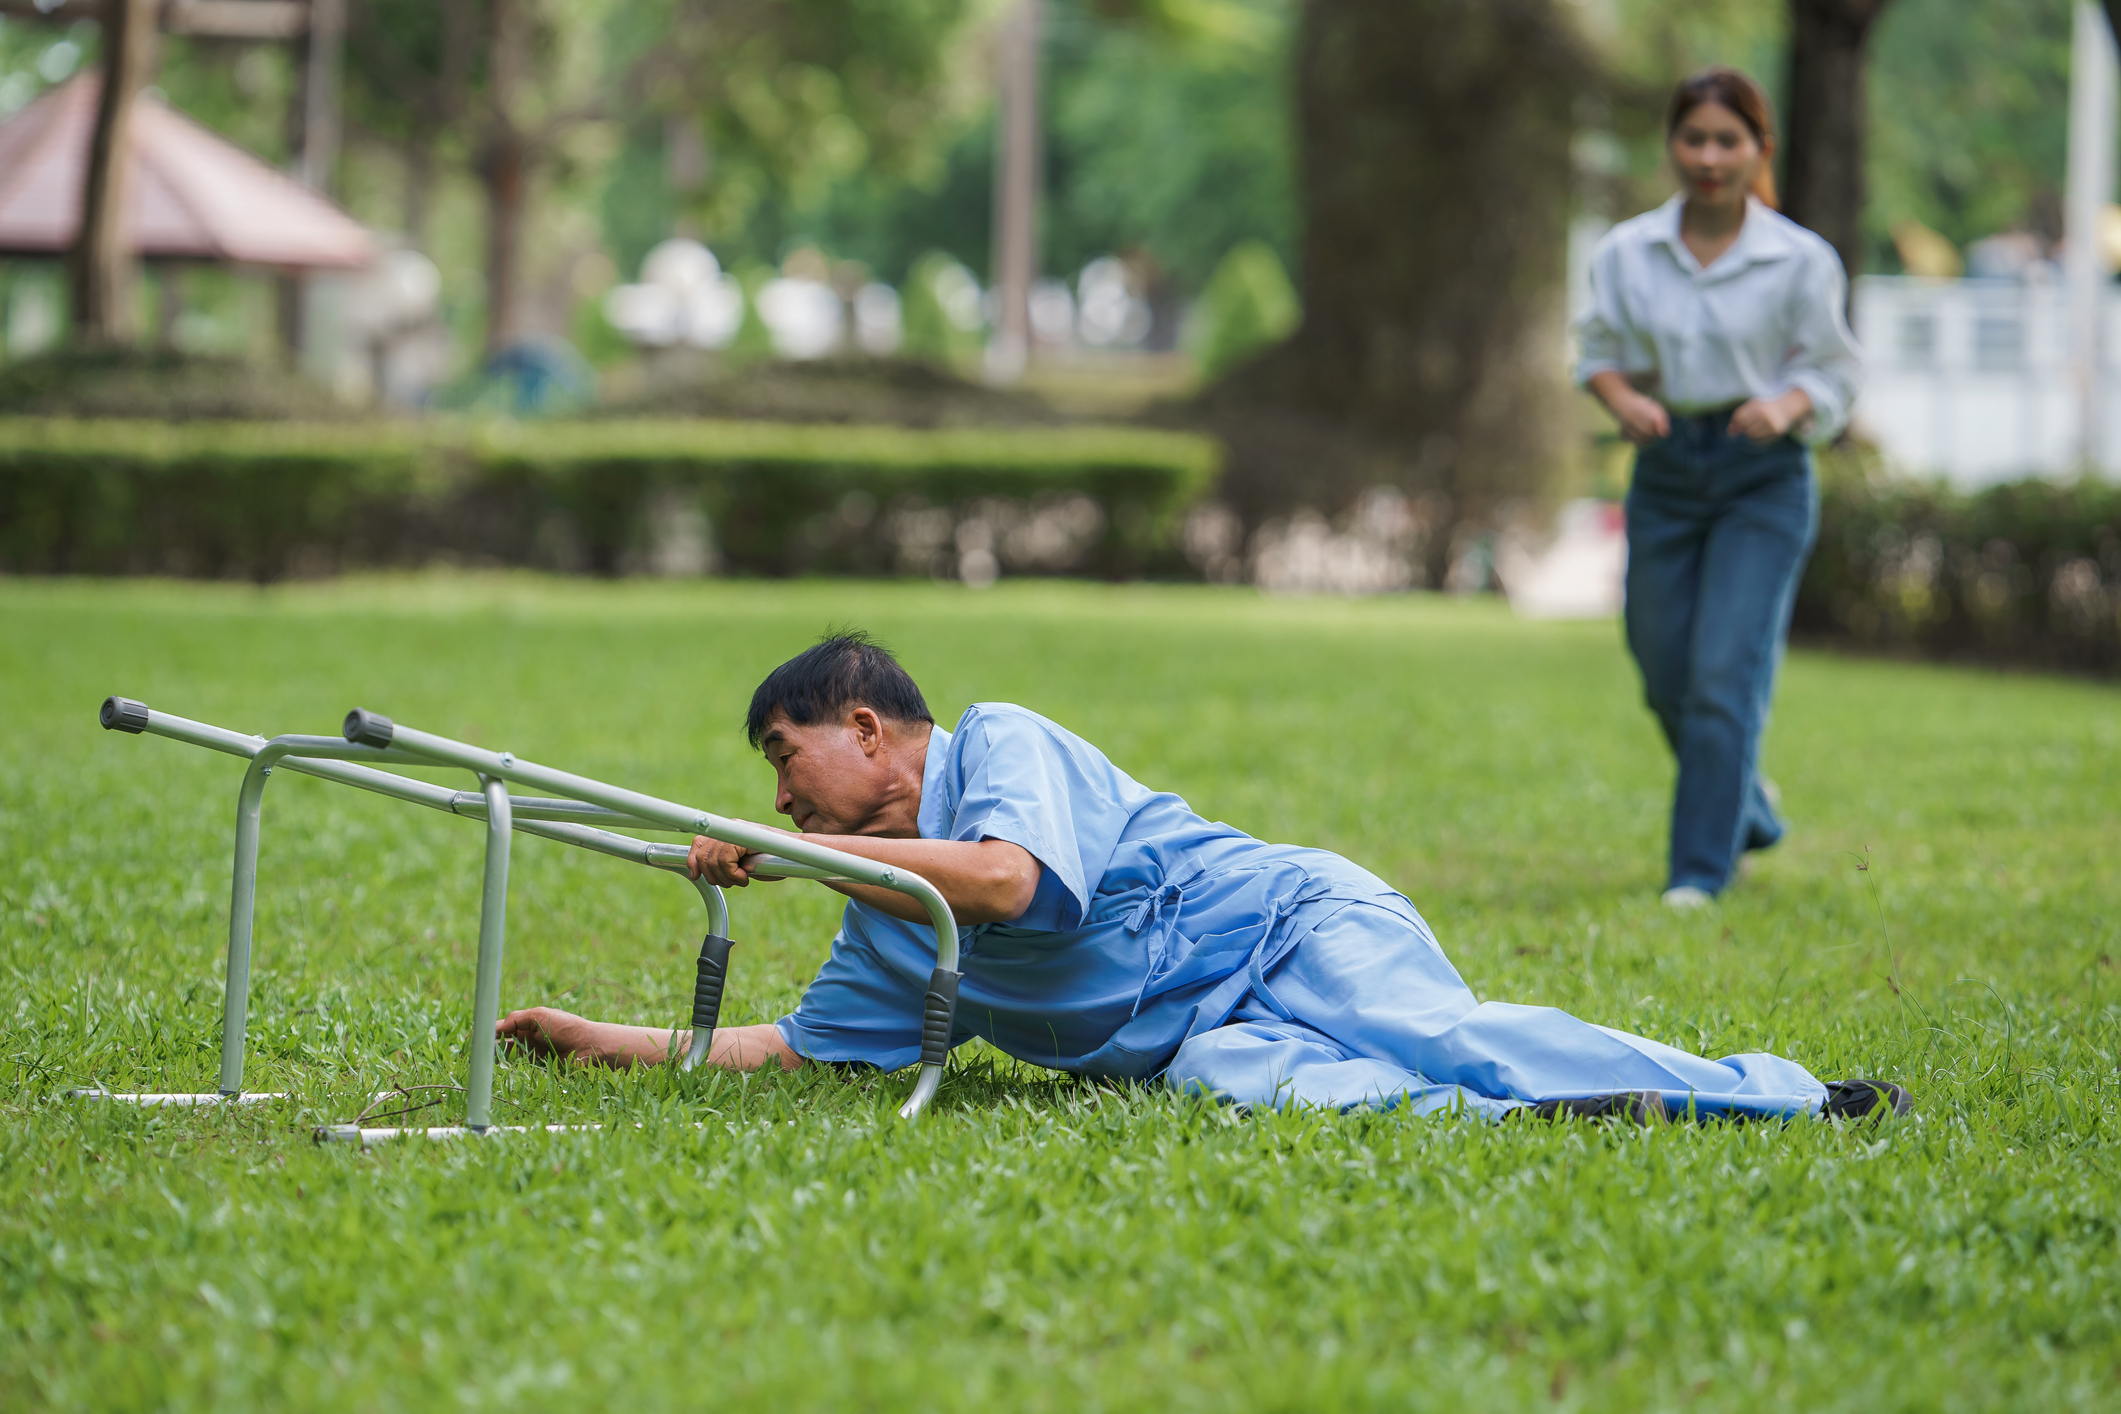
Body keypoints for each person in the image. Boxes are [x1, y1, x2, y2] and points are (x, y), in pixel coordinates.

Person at [499, 633, 1908, 1122]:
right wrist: (594, 1039)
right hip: (1206, 1036)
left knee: (1435, 1031)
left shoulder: (1003, 746)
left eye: (785, 756)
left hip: (1296, 924)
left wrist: (813, 853)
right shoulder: (881, 914)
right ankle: (1580, 1115)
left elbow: (1009, 887)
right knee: (1240, 1086)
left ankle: (1775, 1093)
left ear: (865, 729)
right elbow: (800, 1053)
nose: (781, 794)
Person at [1574, 68, 1863, 909]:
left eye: (1726, 140)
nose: (1708, 156)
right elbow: (1594, 354)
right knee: (1661, 665)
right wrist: (1624, 402)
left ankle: (1697, 872)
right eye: (1693, 138)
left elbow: (1836, 369)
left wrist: (1786, 405)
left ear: (1757, 150)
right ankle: (1745, 804)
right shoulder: (1626, 253)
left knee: (1721, 675)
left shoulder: (1800, 260)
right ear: (1671, 146)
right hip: (1666, 470)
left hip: (1760, 480)